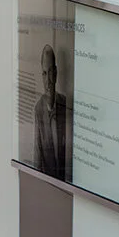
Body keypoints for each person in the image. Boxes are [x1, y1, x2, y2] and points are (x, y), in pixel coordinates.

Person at [34, 44, 67, 180]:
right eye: (44, 73)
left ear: (56, 73)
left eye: (51, 72)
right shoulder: (38, 109)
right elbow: (37, 153)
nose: (48, 81)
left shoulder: (65, 103)